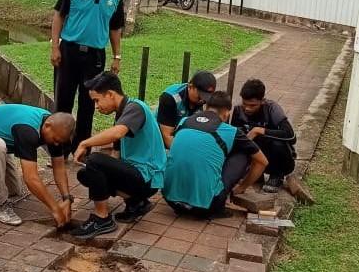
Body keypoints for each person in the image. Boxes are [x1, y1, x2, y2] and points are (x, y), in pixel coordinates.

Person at [71, 72, 167, 239]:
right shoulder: (122, 112)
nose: (96, 106)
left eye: (97, 100)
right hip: (138, 176)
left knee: (94, 160)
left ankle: (102, 219)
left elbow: (116, 134)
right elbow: (116, 153)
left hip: (148, 178)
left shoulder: (135, 108)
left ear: (110, 94)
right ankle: (136, 202)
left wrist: (85, 143)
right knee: (86, 173)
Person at [0, 104, 76, 226]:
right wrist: (55, 208)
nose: (55, 144)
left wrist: (67, 199)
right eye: (55, 140)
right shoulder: (28, 130)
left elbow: (59, 167)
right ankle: (0, 207)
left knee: (12, 189)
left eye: (59, 142)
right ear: (48, 126)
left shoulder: (55, 130)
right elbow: (31, 178)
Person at [51, 0, 125, 152]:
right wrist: (55, 46)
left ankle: (81, 150)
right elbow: (59, 15)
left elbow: (115, 28)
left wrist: (117, 56)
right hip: (68, 51)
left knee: (89, 103)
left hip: (95, 56)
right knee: (63, 101)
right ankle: (59, 150)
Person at [163, 91, 267, 217]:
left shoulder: (184, 121)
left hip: (170, 200)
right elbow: (262, 162)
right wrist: (241, 188)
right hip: (206, 207)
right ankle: (217, 205)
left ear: (206, 107)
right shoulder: (231, 131)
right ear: (227, 113)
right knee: (243, 153)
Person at [230, 79, 296, 192]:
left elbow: (291, 136)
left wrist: (260, 130)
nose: (247, 108)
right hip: (256, 155)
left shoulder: (272, 108)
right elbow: (234, 137)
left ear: (262, 101)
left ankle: (276, 176)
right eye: (245, 104)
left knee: (277, 143)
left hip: (278, 157)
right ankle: (255, 175)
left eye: (252, 105)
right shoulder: (238, 110)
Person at [156, 70, 218, 148]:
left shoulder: (200, 100)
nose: (202, 100)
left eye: (206, 98)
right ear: (190, 86)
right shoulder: (170, 98)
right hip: (159, 140)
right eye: (200, 96)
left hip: (182, 135)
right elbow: (167, 136)